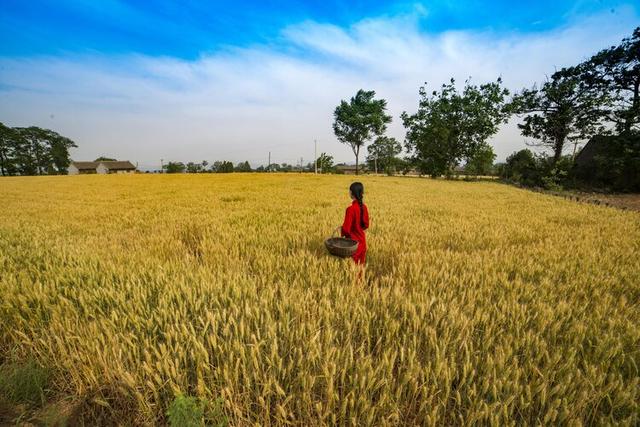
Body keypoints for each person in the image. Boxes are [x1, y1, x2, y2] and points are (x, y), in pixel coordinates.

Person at [341, 182, 369, 264]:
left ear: (352, 193)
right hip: (362, 243)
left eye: (349, 191)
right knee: (360, 269)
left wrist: (342, 230)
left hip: (352, 245)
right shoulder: (364, 207)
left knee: (353, 271)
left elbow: (346, 230)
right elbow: (366, 225)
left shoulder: (350, 209)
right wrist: (358, 228)